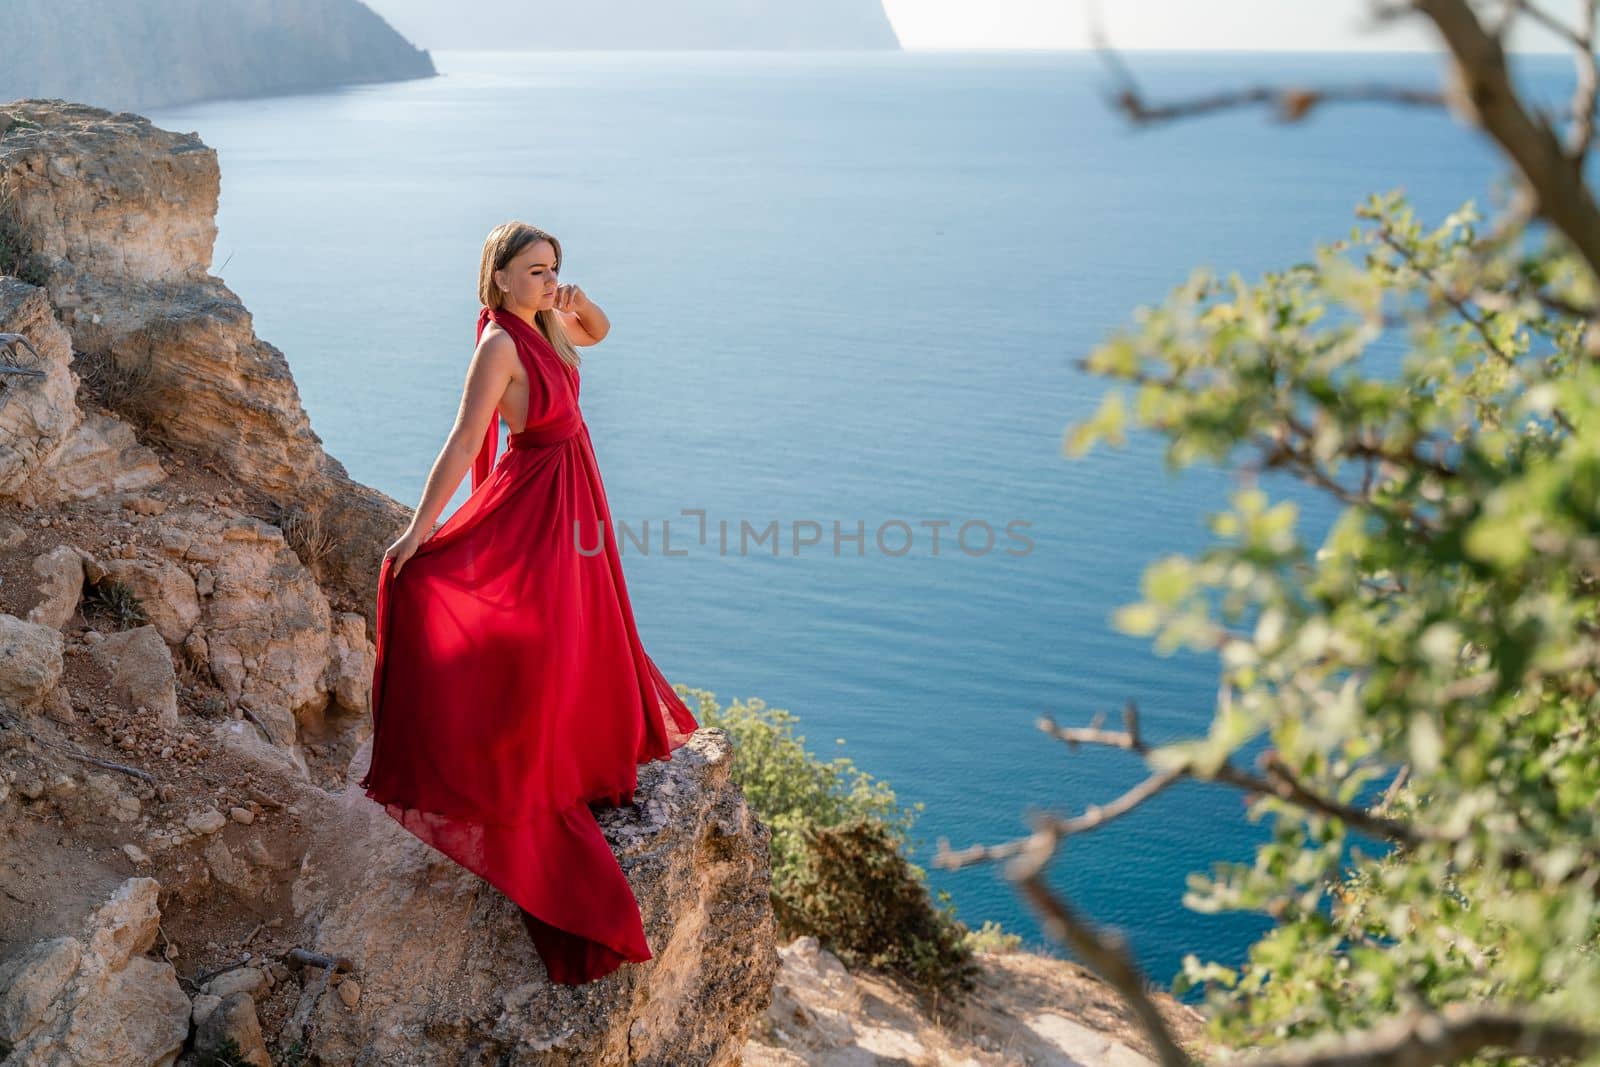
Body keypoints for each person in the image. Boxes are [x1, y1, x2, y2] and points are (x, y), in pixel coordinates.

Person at [357, 220, 700, 984]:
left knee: (584, 633)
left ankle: (574, 754)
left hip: (577, 495)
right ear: (500, 276)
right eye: (537, 271)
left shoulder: (545, 324)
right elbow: (461, 438)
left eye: (555, 269)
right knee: (545, 639)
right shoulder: (498, 347)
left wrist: (576, 299)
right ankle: (526, 766)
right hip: (539, 503)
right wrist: (420, 528)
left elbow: (601, 335)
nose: (550, 281)